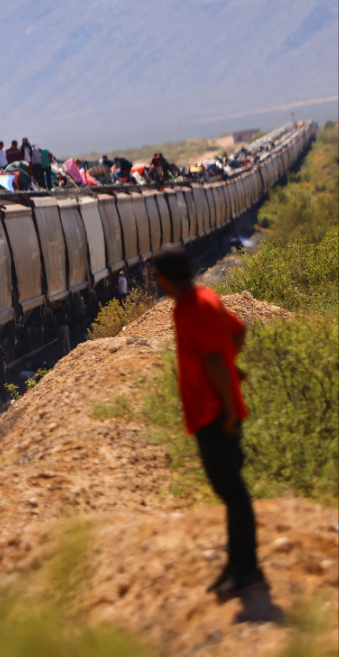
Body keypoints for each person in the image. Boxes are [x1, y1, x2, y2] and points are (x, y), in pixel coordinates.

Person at [152, 245, 268, 601]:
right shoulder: (207, 297)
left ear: (164, 279)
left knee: (232, 490)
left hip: (212, 412)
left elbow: (213, 360)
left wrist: (229, 409)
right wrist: (232, 368)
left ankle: (247, 569)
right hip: (217, 409)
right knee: (230, 488)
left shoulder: (189, 309)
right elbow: (238, 332)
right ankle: (238, 562)